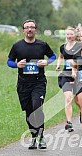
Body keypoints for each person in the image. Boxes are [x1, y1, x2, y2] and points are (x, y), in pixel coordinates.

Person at [7, 19, 56, 149]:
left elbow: (53, 56)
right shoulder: (17, 46)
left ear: (35, 30)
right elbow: (9, 62)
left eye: (32, 27)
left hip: (38, 83)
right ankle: (34, 137)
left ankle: (41, 136)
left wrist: (47, 62)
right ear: (23, 30)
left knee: (37, 107)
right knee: (29, 112)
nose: (29, 29)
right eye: (27, 27)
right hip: (23, 84)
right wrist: (17, 64)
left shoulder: (42, 45)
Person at [56, 27, 81, 132]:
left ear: (75, 35)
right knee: (68, 98)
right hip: (66, 75)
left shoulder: (80, 46)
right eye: (67, 34)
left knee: (77, 99)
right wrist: (58, 65)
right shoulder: (63, 47)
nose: (69, 36)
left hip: (78, 75)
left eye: (71, 34)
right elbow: (61, 57)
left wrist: (75, 66)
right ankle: (69, 122)